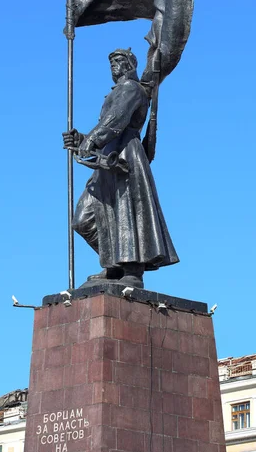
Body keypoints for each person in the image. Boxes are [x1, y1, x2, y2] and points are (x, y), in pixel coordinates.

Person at [63, 48, 178, 287]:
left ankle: (132, 271)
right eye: (111, 62)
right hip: (107, 158)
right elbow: (108, 127)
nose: (113, 65)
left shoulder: (132, 89)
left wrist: (91, 139)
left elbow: (116, 120)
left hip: (125, 156)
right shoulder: (117, 91)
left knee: (128, 213)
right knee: (84, 219)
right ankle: (113, 263)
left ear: (130, 64)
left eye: (118, 60)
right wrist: (81, 139)